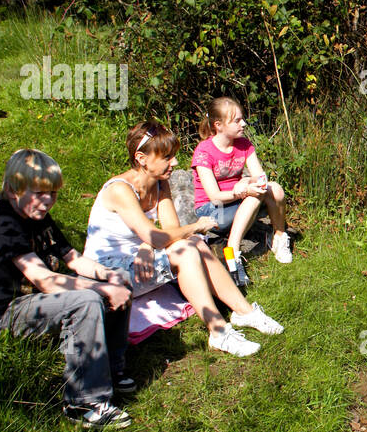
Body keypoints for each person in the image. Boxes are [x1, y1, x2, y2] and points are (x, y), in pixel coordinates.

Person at [0, 149, 134, 430]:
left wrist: (108, 275)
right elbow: (44, 279)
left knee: (121, 277)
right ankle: (83, 401)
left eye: (52, 193)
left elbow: (74, 259)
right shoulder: (2, 222)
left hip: (32, 301)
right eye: (39, 192)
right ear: (13, 189)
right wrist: (102, 289)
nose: (47, 201)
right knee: (87, 300)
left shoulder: (38, 218)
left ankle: (112, 368)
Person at [83, 120, 283, 358]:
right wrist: (194, 226)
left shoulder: (160, 183)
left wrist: (148, 244)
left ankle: (244, 312)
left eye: (174, 155)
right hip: (107, 273)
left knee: (195, 243)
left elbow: (170, 229)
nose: (175, 162)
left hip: (137, 260)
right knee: (188, 249)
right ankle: (219, 331)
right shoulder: (120, 189)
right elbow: (159, 235)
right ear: (141, 158)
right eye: (167, 157)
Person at [190, 96, 292, 267]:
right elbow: (215, 197)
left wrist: (245, 181)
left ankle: (279, 238)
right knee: (255, 195)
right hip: (213, 211)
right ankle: (233, 251)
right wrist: (242, 191)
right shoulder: (204, 152)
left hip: (237, 201)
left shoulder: (244, 144)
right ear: (218, 125)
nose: (243, 124)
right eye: (237, 121)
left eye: (242, 119)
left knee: (276, 189)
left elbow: (261, 178)